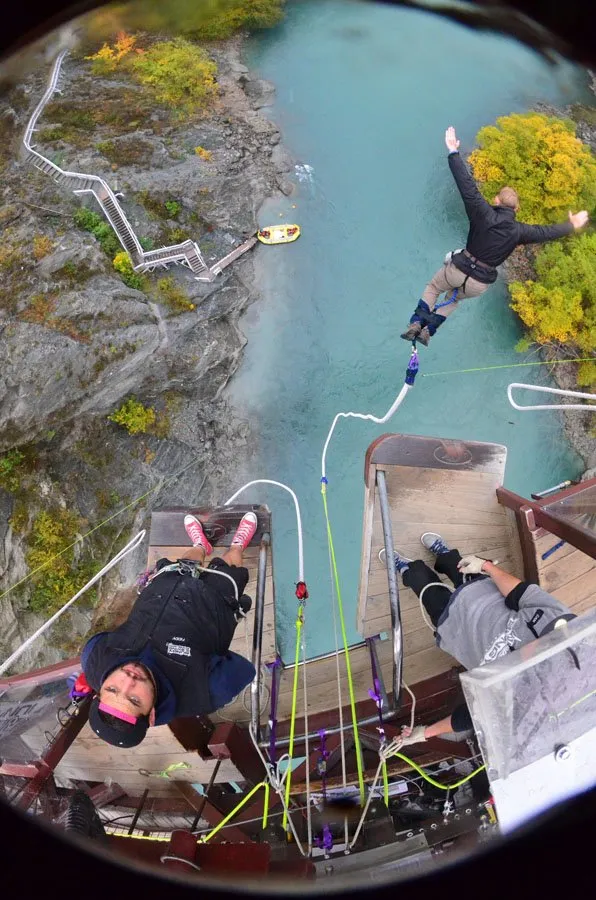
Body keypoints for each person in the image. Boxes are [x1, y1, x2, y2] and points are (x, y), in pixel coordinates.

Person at [81, 511, 259, 748]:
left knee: (186, 563)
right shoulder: (201, 692)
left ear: (98, 692)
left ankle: (201, 545)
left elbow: (98, 639)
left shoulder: (95, 659)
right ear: (152, 715)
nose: (128, 679)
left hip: (162, 591)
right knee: (230, 564)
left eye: (112, 688)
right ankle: (238, 544)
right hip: (214, 602)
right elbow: (242, 670)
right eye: (134, 699)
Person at [400, 126, 590, 346]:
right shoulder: (520, 231)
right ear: (516, 210)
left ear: (497, 200)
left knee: (434, 287)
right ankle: (428, 331)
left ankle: (416, 323)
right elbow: (547, 233)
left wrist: (453, 151)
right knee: (453, 300)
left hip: (458, 268)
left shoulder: (482, 212)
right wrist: (572, 225)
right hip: (478, 284)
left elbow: (466, 185)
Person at [380, 531, 576, 742]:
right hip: (482, 593)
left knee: (424, 587)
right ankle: (443, 553)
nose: (536, 647)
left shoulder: (521, 699)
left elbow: (472, 716)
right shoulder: (560, 621)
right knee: (459, 566)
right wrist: (485, 566)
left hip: (455, 629)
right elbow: (522, 593)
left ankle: (408, 569)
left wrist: (425, 733)